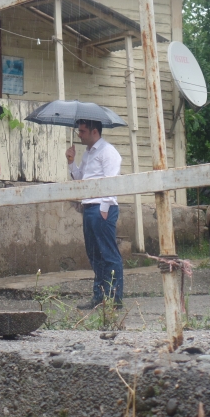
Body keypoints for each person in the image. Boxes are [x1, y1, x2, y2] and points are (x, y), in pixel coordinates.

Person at [65, 119, 123, 309]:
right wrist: (71, 163)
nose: (79, 135)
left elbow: (111, 181)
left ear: (94, 132)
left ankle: (114, 299)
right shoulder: (89, 153)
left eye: (82, 131)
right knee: (94, 254)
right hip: (89, 206)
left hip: (101, 206)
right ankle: (99, 296)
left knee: (108, 253)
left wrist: (104, 208)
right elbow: (82, 179)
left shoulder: (108, 152)